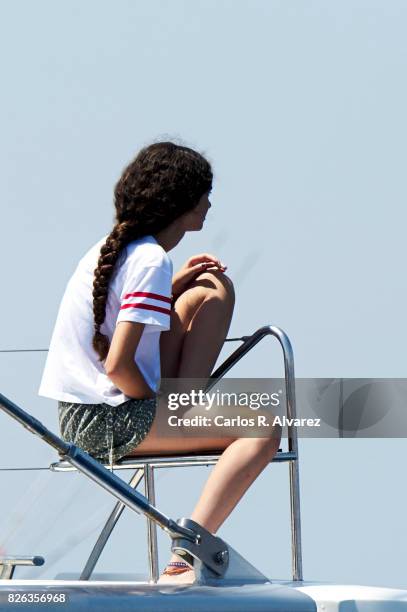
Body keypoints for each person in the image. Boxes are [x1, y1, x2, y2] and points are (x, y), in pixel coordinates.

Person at [39, 141, 281, 583]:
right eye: (205, 192)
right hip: (107, 420)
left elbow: (116, 331)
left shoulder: (121, 251)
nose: (210, 202)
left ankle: (184, 405)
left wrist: (176, 283)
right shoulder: (150, 260)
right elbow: (118, 366)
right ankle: (189, 548)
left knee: (207, 292)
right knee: (263, 426)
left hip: (84, 415)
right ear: (184, 202)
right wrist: (157, 406)